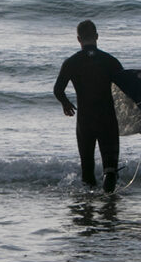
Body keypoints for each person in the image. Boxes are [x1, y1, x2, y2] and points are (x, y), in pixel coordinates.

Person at [53, 19, 124, 193]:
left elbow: (58, 89)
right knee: (110, 168)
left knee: (87, 168)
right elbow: (126, 92)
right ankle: (109, 205)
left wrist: (66, 104)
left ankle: (88, 210)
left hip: (85, 120)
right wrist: (138, 119)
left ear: (79, 39)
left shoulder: (71, 62)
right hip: (107, 119)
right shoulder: (111, 61)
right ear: (97, 37)